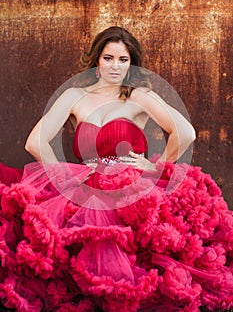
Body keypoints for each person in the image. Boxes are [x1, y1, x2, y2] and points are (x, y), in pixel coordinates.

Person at [0, 26, 232, 312]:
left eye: (123, 60)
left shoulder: (138, 96)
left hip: (129, 187)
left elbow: (185, 133)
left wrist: (155, 167)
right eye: (108, 58)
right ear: (97, 61)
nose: (115, 66)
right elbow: (35, 142)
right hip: (83, 180)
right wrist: (61, 177)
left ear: (131, 65)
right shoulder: (75, 95)